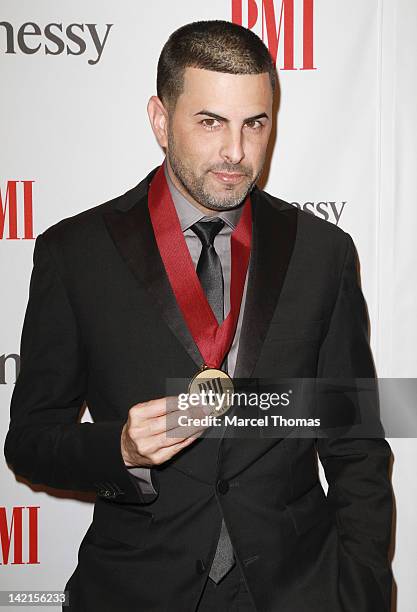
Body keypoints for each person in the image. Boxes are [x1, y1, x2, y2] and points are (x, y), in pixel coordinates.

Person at [4, 20, 393, 612]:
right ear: (161, 120)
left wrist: (361, 594)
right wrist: (122, 450)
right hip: (136, 588)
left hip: (296, 589)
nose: (236, 152)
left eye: (254, 123)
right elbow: (30, 441)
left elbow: (355, 443)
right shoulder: (76, 253)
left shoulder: (323, 253)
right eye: (210, 122)